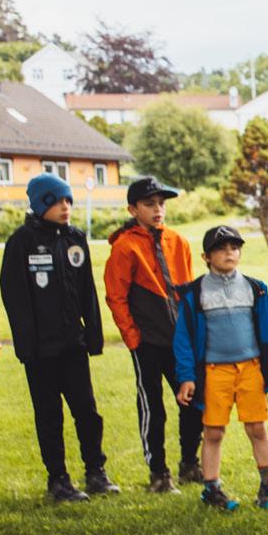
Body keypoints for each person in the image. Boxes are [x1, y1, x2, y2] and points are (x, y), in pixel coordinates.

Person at [0, 173, 117, 503]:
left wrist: (93, 334)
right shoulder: (21, 242)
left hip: (73, 345)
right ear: (41, 204)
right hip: (41, 350)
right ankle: (58, 480)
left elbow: (87, 290)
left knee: (87, 411)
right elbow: (15, 297)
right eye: (58, 201)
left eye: (69, 200)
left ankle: (95, 472)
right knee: (49, 416)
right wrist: (27, 345)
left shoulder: (75, 238)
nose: (66, 207)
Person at [173, 226, 268, 511]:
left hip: (251, 369)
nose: (229, 253)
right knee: (213, 431)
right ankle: (212, 489)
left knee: (257, 427)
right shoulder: (195, 294)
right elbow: (183, 340)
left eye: (234, 248)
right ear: (206, 257)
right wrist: (187, 377)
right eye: (221, 249)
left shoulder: (255, 289)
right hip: (215, 372)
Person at [103, 177, 202, 492]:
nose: (158, 209)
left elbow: (188, 290)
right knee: (153, 408)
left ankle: (190, 464)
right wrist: (133, 338)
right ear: (133, 209)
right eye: (149, 204)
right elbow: (116, 297)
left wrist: (192, 331)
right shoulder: (125, 247)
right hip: (146, 342)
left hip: (180, 340)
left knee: (193, 400)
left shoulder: (178, 242)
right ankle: (159, 473)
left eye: (161, 203)